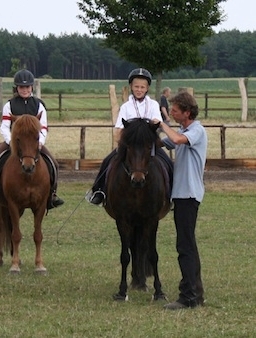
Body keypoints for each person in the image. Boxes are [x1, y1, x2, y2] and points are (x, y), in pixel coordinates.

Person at [0, 69, 64, 209]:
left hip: (33, 144)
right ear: (16, 88)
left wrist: (40, 142)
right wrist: (10, 141)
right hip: (14, 142)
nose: (24, 90)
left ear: (31, 87)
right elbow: (4, 127)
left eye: (27, 87)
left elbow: (43, 127)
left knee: (54, 163)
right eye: (21, 87)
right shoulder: (9, 105)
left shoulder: (39, 105)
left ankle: (52, 194)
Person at [153, 91, 207, 310]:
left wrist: (161, 123)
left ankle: (188, 297)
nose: (172, 113)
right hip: (182, 195)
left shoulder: (196, 131)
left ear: (187, 112)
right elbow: (163, 143)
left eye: (175, 110)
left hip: (189, 195)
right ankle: (196, 293)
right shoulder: (185, 129)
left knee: (185, 246)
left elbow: (175, 139)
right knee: (188, 245)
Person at [87, 68, 169, 205]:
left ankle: (171, 193)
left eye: (142, 87)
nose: (139, 89)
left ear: (147, 88)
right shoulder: (126, 107)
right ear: (131, 86)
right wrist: (122, 141)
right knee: (107, 161)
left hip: (148, 146)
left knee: (167, 162)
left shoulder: (154, 105)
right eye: (136, 86)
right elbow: (119, 128)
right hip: (130, 146)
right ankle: (99, 191)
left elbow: (157, 124)